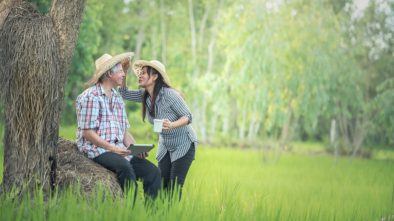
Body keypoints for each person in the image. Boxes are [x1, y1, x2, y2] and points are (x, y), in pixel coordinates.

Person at [75, 53, 161, 202]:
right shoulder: (91, 97)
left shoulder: (117, 98)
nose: (124, 74)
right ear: (109, 73)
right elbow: (88, 133)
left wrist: (136, 148)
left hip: (118, 149)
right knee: (125, 168)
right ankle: (130, 211)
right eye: (121, 71)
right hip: (97, 149)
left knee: (153, 172)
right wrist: (113, 149)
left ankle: (150, 215)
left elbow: (124, 132)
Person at [119, 60, 197, 200]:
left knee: (174, 188)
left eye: (143, 73)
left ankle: (172, 215)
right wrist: (124, 72)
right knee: (160, 184)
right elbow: (123, 93)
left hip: (183, 144)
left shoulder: (169, 95)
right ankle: (159, 214)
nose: (140, 76)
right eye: (139, 73)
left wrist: (172, 125)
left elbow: (188, 116)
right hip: (165, 145)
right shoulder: (144, 96)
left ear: (154, 76)